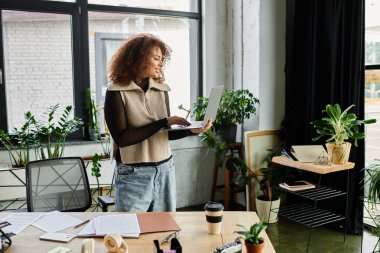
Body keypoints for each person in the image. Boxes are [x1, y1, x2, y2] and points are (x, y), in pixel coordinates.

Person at [104, 33, 211, 212]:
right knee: (131, 231)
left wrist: (191, 131)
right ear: (137, 59)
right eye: (156, 58)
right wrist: (162, 122)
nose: (161, 64)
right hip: (133, 174)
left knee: (164, 231)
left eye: (162, 59)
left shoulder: (162, 90)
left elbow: (163, 133)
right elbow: (123, 138)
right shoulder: (116, 91)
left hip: (165, 169)